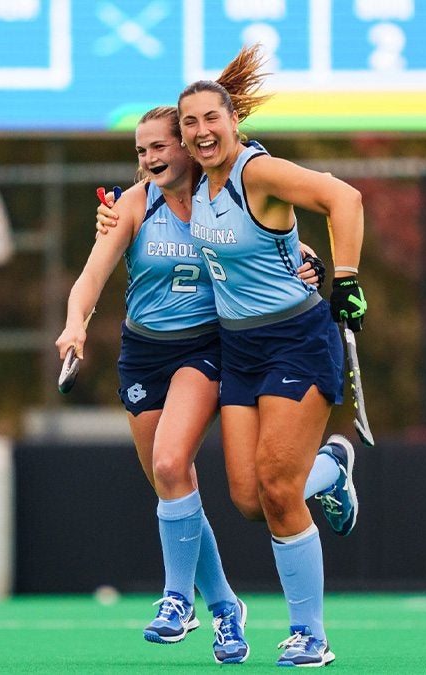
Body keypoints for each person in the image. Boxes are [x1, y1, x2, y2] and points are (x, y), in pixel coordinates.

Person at [57, 67, 350, 667]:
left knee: (184, 465)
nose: (153, 157)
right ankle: (225, 610)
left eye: (162, 145)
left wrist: (328, 270)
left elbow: (293, 232)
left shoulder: (235, 182)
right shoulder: (142, 203)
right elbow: (93, 273)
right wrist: (75, 322)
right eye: (144, 150)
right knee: (212, 492)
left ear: (205, 138)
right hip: (167, 350)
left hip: (225, 348)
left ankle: (198, 604)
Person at [172, 44, 369, 667]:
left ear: (235, 123)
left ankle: (310, 635)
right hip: (240, 349)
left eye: (212, 119)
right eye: (190, 123)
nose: (202, 132)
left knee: (281, 488)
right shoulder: (199, 189)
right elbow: (264, 244)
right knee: (249, 500)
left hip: (296, 341)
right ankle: (333, 468)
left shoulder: (259, 173)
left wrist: (346, 279)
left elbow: (347, 198)